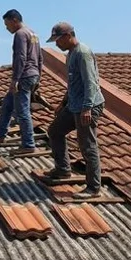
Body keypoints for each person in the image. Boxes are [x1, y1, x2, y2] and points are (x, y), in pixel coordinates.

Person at [45, 22, 105, 198]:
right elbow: (73, 84)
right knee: (55, 131)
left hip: (88, 106)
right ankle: (63, 169)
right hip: (74, 105)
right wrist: (63, 103)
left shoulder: (83, 53)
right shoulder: (70, 54)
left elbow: (90, 83)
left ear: (68, 36)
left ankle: (93, 188)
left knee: (87, 145)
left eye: (58, 40)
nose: (56, 44)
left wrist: (87, 108)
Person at [0, 9, 42, 155]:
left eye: (7, 24)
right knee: (8, 103)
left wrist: (15, 80)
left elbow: (20, 57)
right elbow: (40, 57)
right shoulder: (33, 33)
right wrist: (38, 76)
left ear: (14, 20)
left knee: (22, 111)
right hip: (33, 74)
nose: (6, 28)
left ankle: (28, 144)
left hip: (24, 76)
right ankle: (0, 135)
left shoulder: (20, 34)